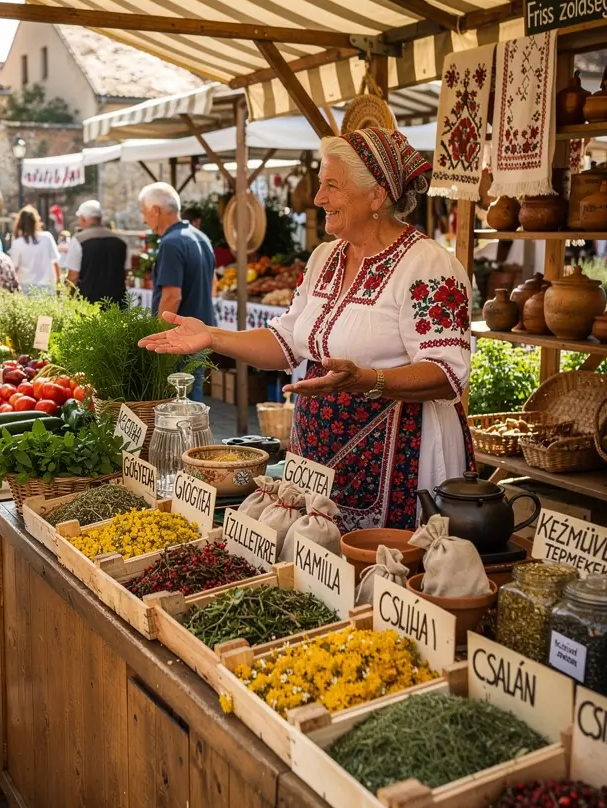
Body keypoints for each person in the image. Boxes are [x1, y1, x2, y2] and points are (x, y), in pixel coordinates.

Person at [139, 129, 475, 531]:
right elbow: (286, 341)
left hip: (400, 456)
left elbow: (446, 373)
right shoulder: (325, 258)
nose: (318, 198)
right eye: (321, 184)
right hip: (319, 456)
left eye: (332, 185)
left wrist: (366, 380)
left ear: (377, 195)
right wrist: (212, 336)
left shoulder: (428, 265)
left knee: (381, 559)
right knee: (317, 550)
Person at [139, 183, 216, 400]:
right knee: (193, 397)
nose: (144, 220)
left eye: (144, 213)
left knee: (178, 402)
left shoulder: (171, 243)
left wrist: (159, 338)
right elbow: (214, 284)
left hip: (179, 338)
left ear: (156, 210)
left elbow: (172, 296)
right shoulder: (201, 237)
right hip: (202, 331)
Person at [64, 199, 128, 306]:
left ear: (83, 219)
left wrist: (67, 299)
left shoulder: (79, 240)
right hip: (117, 302)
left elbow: (73, 276)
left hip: (88, 304)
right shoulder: (121, 240)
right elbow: (126, 272)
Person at [9, 204, 60, 290]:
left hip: (26, 286)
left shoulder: (17, 243)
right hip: (47, 286)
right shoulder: (47, 238)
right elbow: (55, 263)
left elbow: (14, 268)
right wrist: (58, 283)